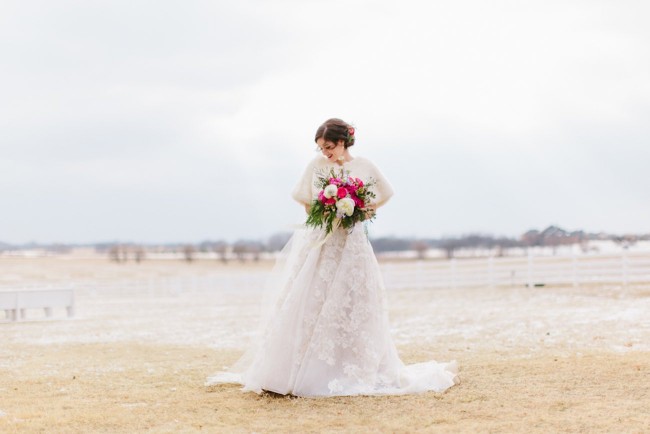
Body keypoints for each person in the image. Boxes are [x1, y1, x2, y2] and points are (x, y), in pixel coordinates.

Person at [206, 118, 458, 397]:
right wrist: (324, 210)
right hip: (322, 241)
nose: (324, 152)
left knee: (354, 302)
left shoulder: (365, 165)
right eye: (320, 148)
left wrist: (363, 209)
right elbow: (304, 200)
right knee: (311, 298)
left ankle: (351, 366)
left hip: (353, 243)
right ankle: (297, 369)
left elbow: (385, 193)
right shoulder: (316, 167)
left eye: (328, 146)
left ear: (343, 142)